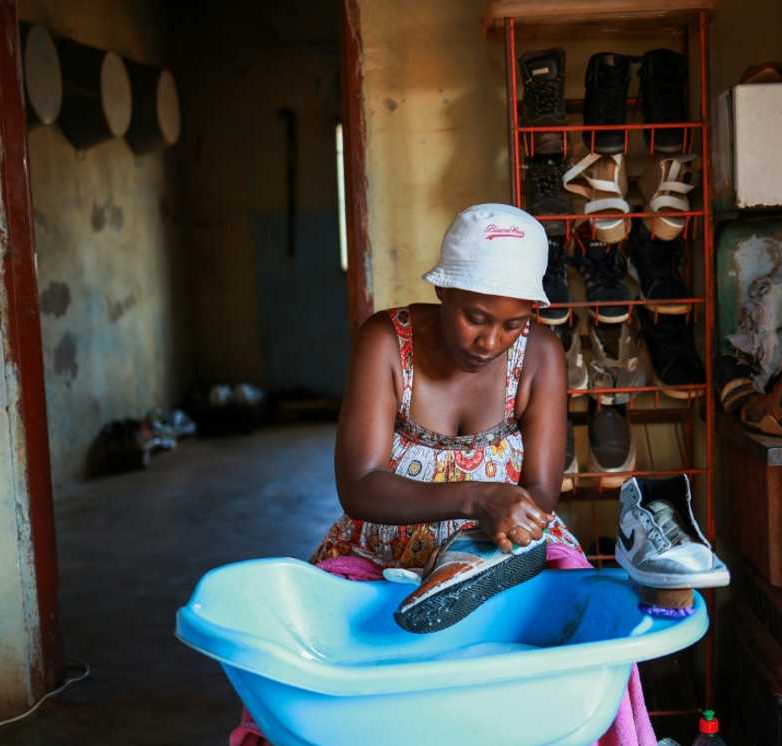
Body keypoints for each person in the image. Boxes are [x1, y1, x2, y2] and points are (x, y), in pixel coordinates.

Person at [231, 204, 656, 746]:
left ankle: (471, 575)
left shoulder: (541, 355)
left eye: (513, 323)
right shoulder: (386, 342)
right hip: (381, 549)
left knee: (578, 640)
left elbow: (541, 492)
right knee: (325, 676)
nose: (491, 341)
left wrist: (487, 527)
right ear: (443, 292)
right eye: (475, 317)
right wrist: (478, 498)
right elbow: (358, 486)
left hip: (499, 549)